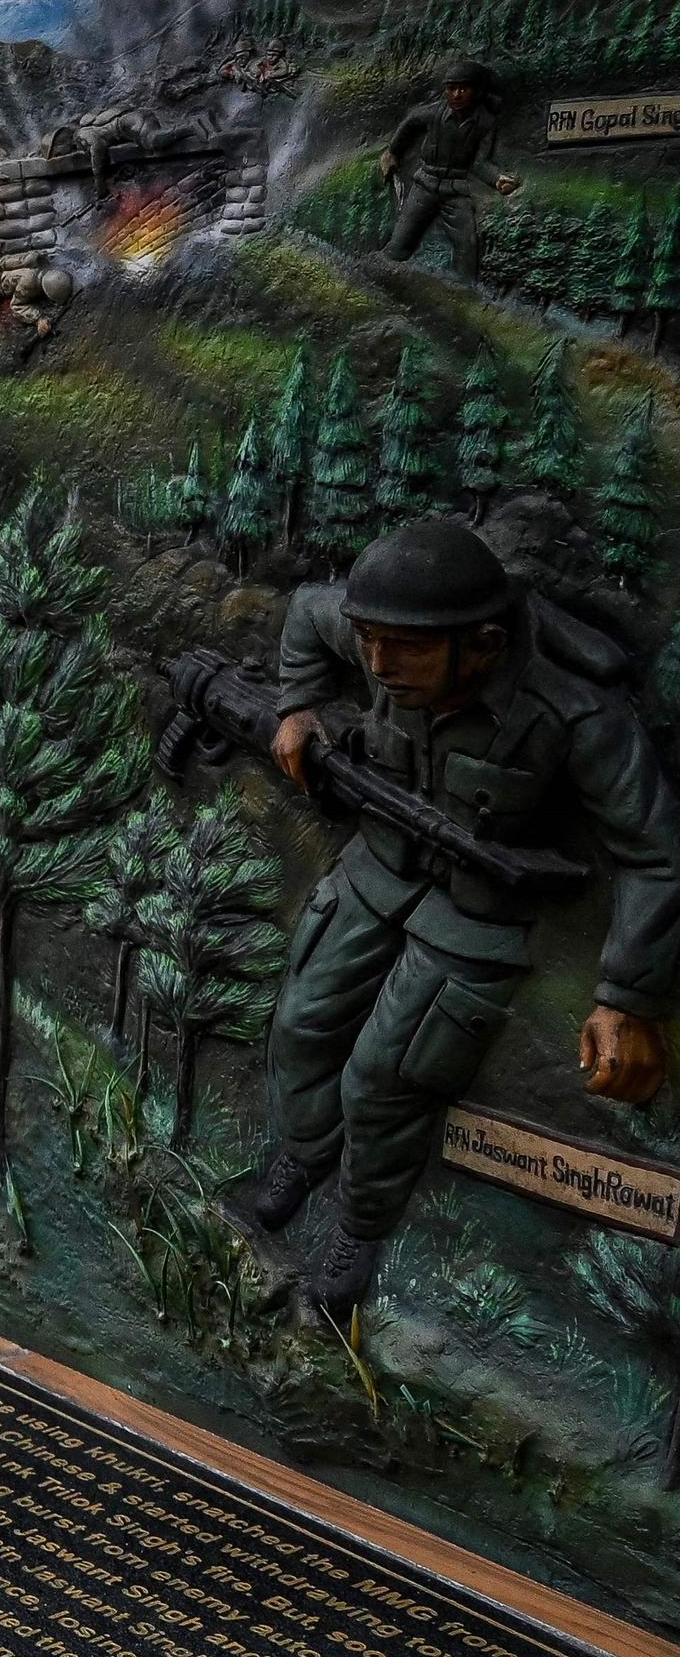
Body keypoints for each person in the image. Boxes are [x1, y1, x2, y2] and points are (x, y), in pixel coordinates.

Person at [230, 519, 678, 1317]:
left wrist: (626, 997)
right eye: (367, 641)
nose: (376, 664)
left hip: (477, 914)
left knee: (384, 1078)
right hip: (378, 868)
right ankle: (302, 1158)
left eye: (400, 649)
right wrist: (297, 706)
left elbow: (655, 849)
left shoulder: (574, 715)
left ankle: (357, 1231)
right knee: (301, 1024)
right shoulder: (388, 637)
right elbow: (306, 611)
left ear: (484, 643)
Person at [379, 62, 520, 282]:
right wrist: (393, 152)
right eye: (451, 89)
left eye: (463, 89)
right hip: (425, 183)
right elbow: (410, 122)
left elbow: (479, 162)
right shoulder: (434, 113)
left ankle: (464, 289)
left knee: (466, 246)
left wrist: (497, 179)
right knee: (402, 237)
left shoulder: (484, 123)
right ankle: (385, 276)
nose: (456, 94)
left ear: (477, 91)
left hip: (455, 191)